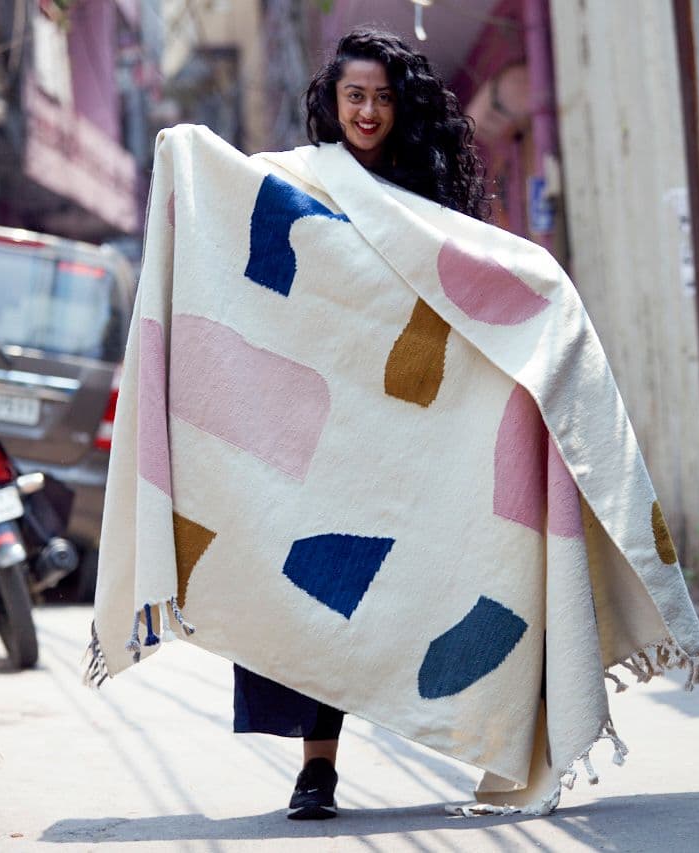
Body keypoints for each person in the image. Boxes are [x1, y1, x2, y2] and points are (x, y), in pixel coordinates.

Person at [232, 26, 488, 821]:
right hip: (322, 425)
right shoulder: (299, 182)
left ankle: (492, 740)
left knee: (454, 583)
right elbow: (262, 275)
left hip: (414, 420)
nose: (368, 110)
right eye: (354, 95)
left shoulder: (427, 189)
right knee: (322, 589)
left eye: (381, 96)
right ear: (330, 101)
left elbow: (461, 289)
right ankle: (317, 772)